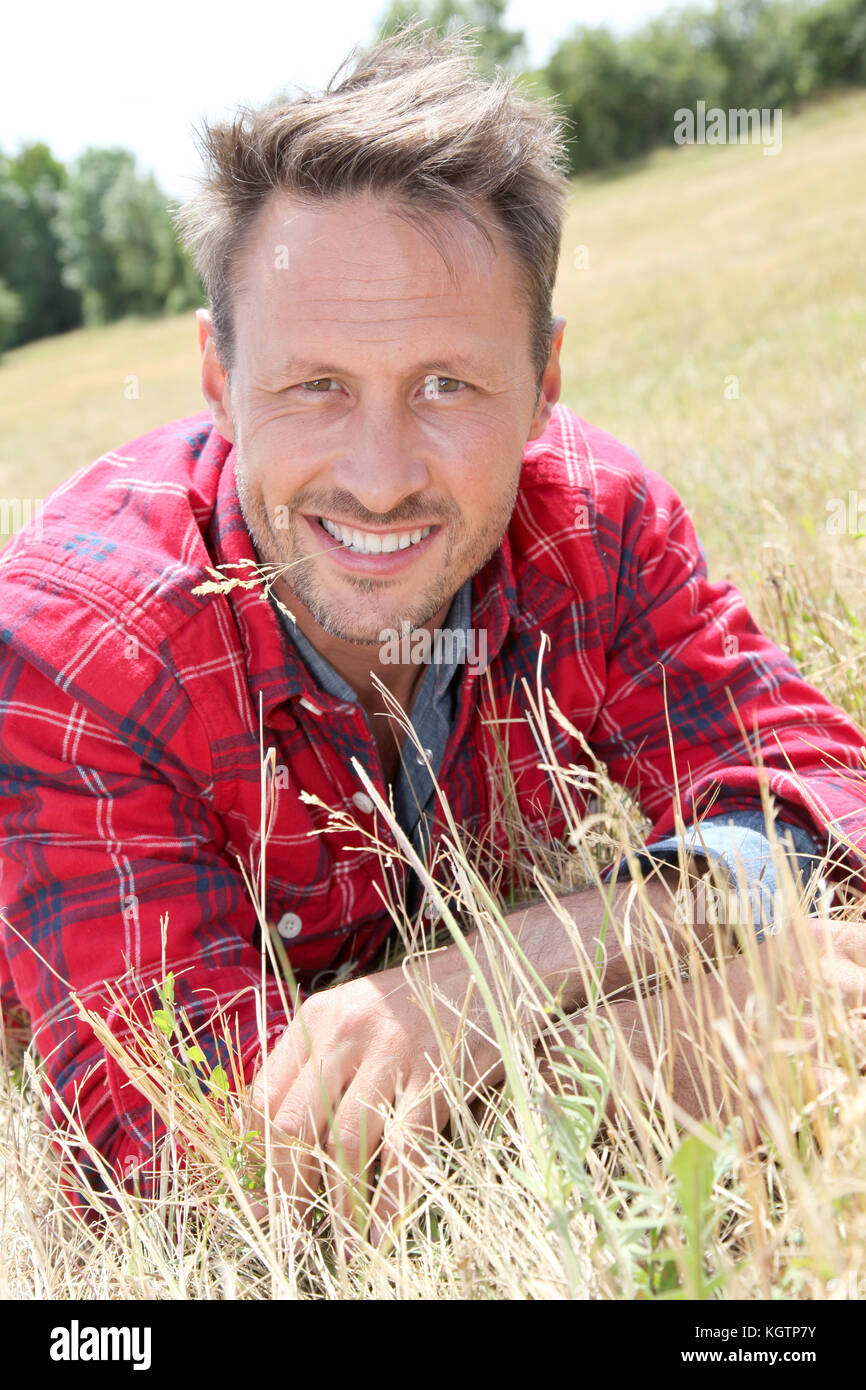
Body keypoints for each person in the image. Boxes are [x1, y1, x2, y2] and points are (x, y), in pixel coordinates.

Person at [0, 24, 864, 1234]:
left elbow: (821, 794)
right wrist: (651, 1056)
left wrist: (507, 970)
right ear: (216, 376)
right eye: (316, 386)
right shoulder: (75, 651)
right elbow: (192, 1173)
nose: (380, 475)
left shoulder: (589, 526)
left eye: (446, 385)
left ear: (543, 377)